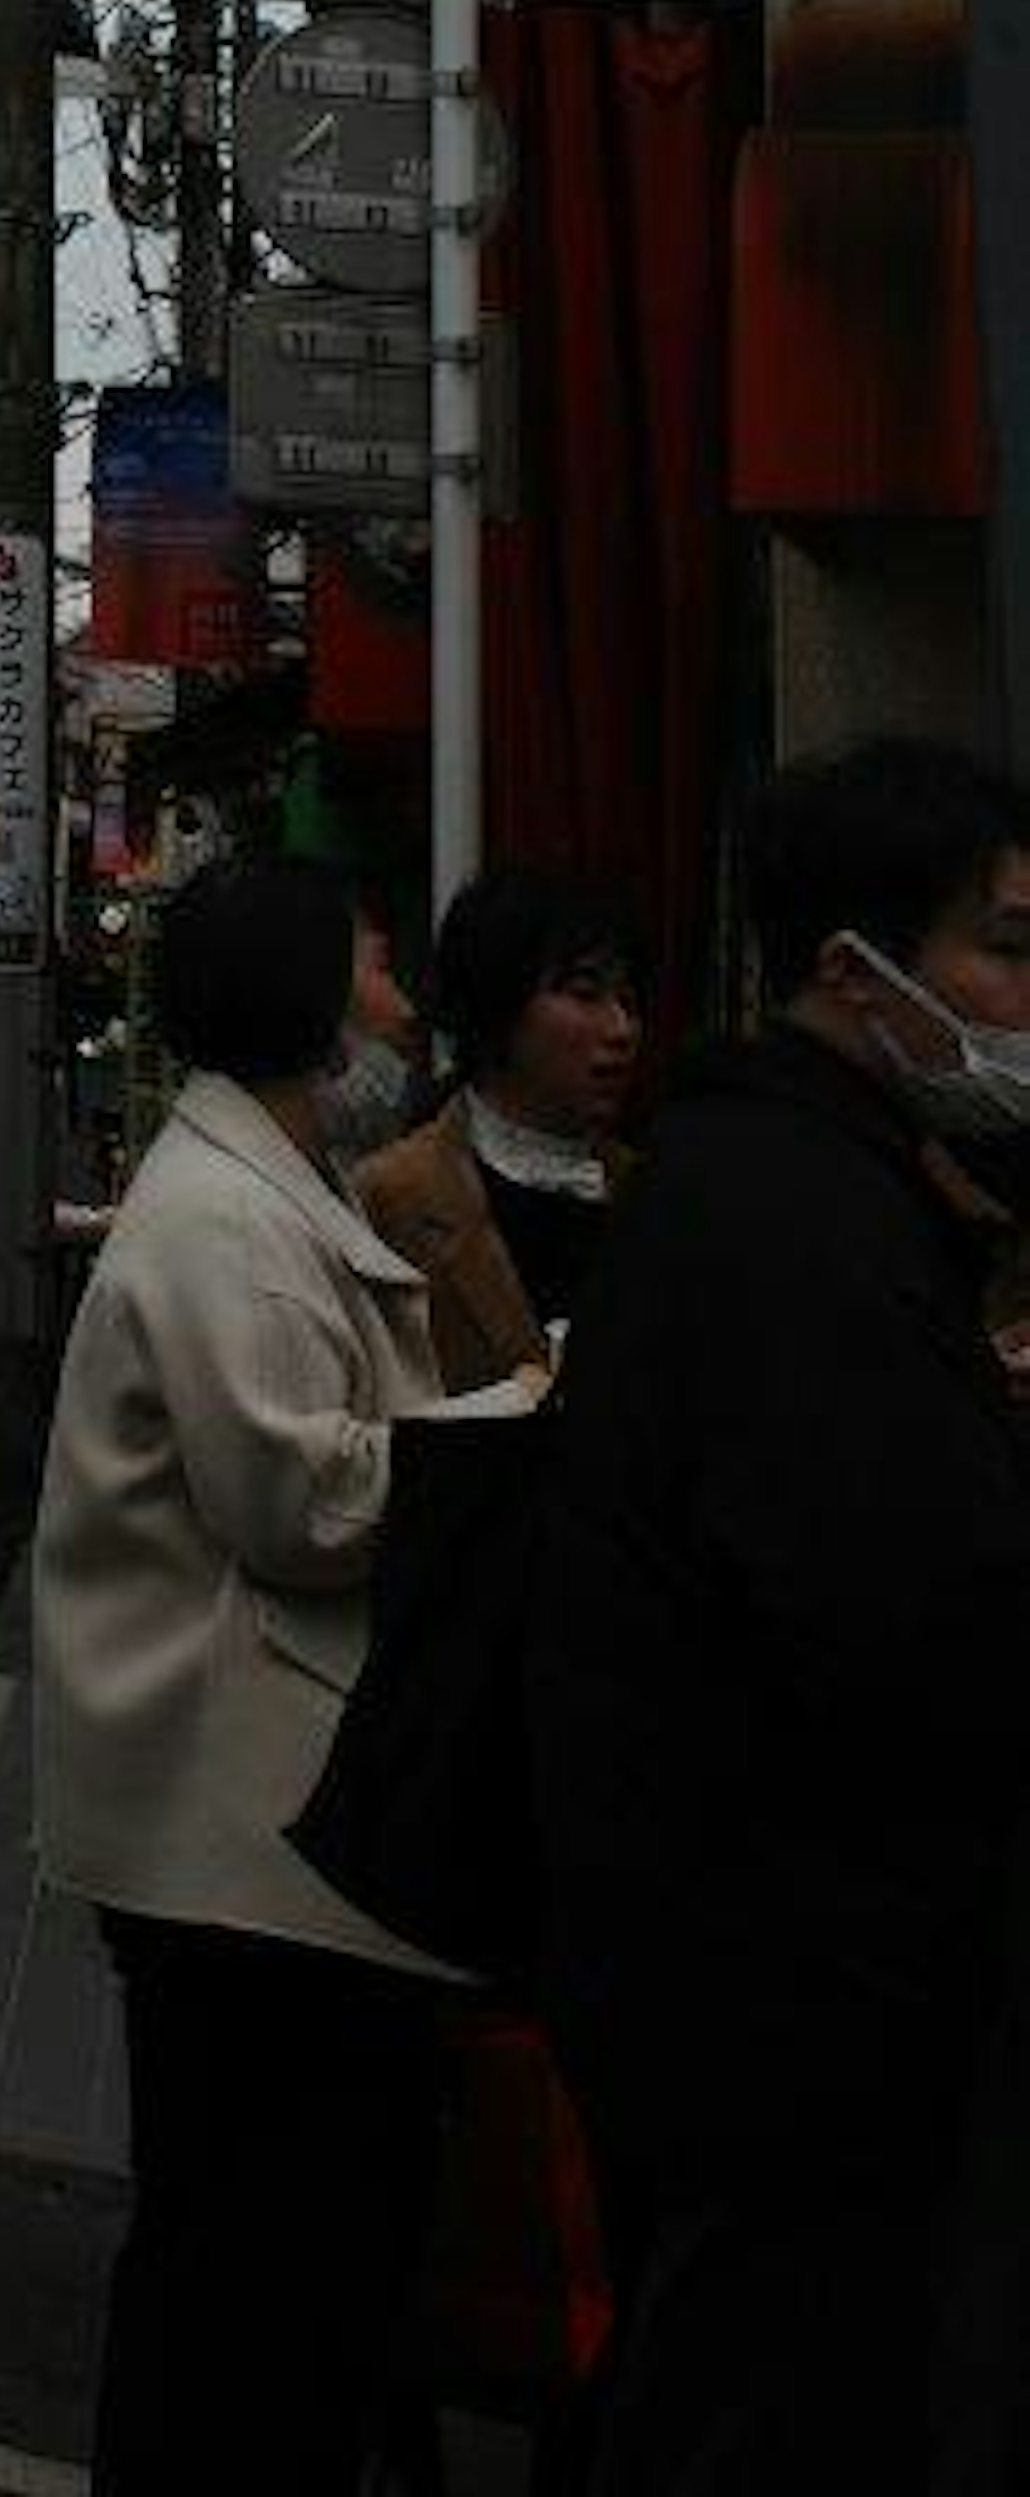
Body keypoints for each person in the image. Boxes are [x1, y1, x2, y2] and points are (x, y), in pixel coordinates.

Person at [532, 742, 1030, 2497]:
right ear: (853, 969)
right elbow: (907, 1617)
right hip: (803, 2000)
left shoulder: (778, 1179)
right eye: (1005, 948)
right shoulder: (799, 1224)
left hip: (763, 1985)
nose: (1025, 999)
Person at [32, 853, 461, 2497]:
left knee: (241, 2269)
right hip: (248, 1841)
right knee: (253, 2279)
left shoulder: (261, 1185)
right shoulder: (225, 1214)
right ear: (300, 997)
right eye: (372, 965)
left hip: (255, 1829)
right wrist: (504, 1447)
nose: (400, 1009)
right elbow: (294, 1497)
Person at [353, 863, 641, 1391]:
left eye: (627, 999)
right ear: (499, 1005)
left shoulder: (650, 1190)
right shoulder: (393, 1197)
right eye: (585, 993)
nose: (621, 1029)